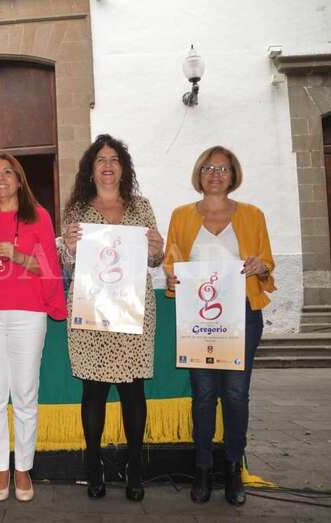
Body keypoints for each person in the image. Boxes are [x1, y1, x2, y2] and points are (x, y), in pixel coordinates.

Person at [164, 145, 275, 506]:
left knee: (236, 395)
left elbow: (268, 264)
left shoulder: (253, 215)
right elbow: (171, 263)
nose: (216, 173)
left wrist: (261, 268)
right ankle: (202, 469)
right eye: (209, 167)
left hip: (242, 314)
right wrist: (172, 280)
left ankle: (232, 469)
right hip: (198, 319)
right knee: (204, 396)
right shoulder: (181, 216)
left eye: (224, 168)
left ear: (233, 174)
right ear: (200, 173)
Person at [62, 134, 164, 502]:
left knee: (133, 390)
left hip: (133, 310)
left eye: (114, 159)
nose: (107, 165)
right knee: (93, 391)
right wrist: (69, 249)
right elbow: (67, 264)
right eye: (100, 159)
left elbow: (154, 260)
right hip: (92, 310)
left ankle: (135, 468)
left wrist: (157, 249)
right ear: (91, 169)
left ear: (123, 167)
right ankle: (94, 467)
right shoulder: (76, 211)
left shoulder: (141, 207)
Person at [0, 153, 67, 502]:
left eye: (8, 172)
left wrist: (18, 255)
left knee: (24, 392)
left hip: (28, 314)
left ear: (20, 180)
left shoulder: (38, 217)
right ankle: (1, 468)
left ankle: (23, 467)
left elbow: (50, 269)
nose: (1, 178)